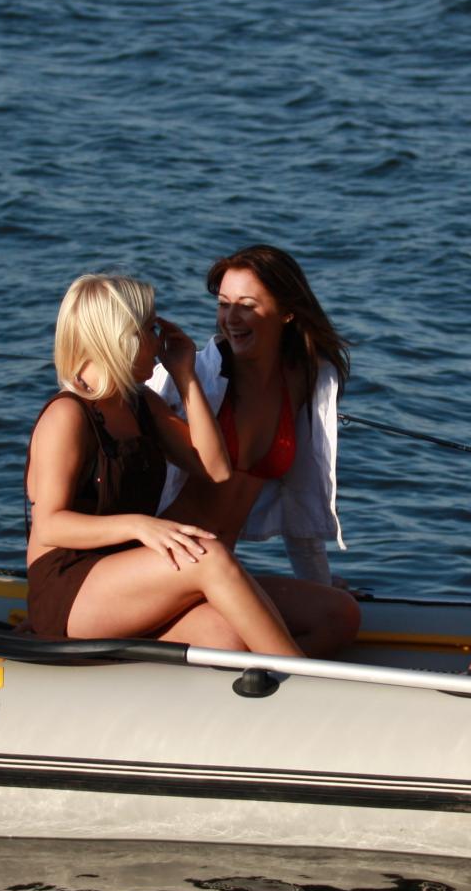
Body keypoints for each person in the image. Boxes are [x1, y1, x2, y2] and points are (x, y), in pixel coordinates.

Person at [23, 273, 303, 657]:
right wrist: (140, 525)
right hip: (68, 589)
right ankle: (301, 675)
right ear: (121, 338)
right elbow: (50, 525)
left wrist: (185, 377)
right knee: (208, 554)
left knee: (229, 637)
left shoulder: (140, 404)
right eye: (151, 330)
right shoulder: (67, 415)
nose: (159, 342)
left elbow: (216, 469)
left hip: (129, 574)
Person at [147, 245, 359, 656]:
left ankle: (270, 675)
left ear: (287, 312)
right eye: (224, 304)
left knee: (340, 616)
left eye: (246, 306)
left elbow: (301, 498)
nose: (231, 318)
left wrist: (317, 585)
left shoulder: (302, 379)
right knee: (232, 640)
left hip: (223, 574)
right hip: (165, 566)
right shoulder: (188, 379)